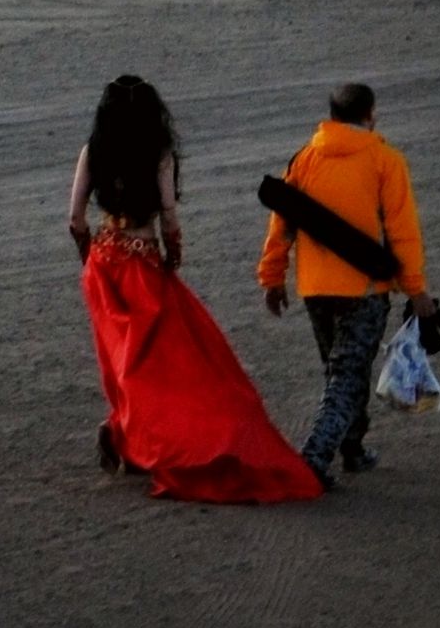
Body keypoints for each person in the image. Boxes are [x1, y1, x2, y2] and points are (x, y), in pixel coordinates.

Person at [71, 76, 322, 504]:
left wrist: (89, 259)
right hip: (142, 261)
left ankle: (124, 432)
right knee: (169, 360)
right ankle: (140, 437)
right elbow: (169, 217)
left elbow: (75, 220)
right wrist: (172, 258)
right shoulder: (158, 153)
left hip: (103, 262)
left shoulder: (94, 151)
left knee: (119, 360)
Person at [258, 81, 434, 488]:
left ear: (332, 116)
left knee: (339, 372)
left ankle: (352, 449)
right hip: (365, 289)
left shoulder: (304, 158)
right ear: (370, 114)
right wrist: (416, 290)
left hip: (315, 288)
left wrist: (272, 277)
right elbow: (403, 232)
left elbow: (282, 224)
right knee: (347, 375)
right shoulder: (385, 160)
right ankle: (315, 459)